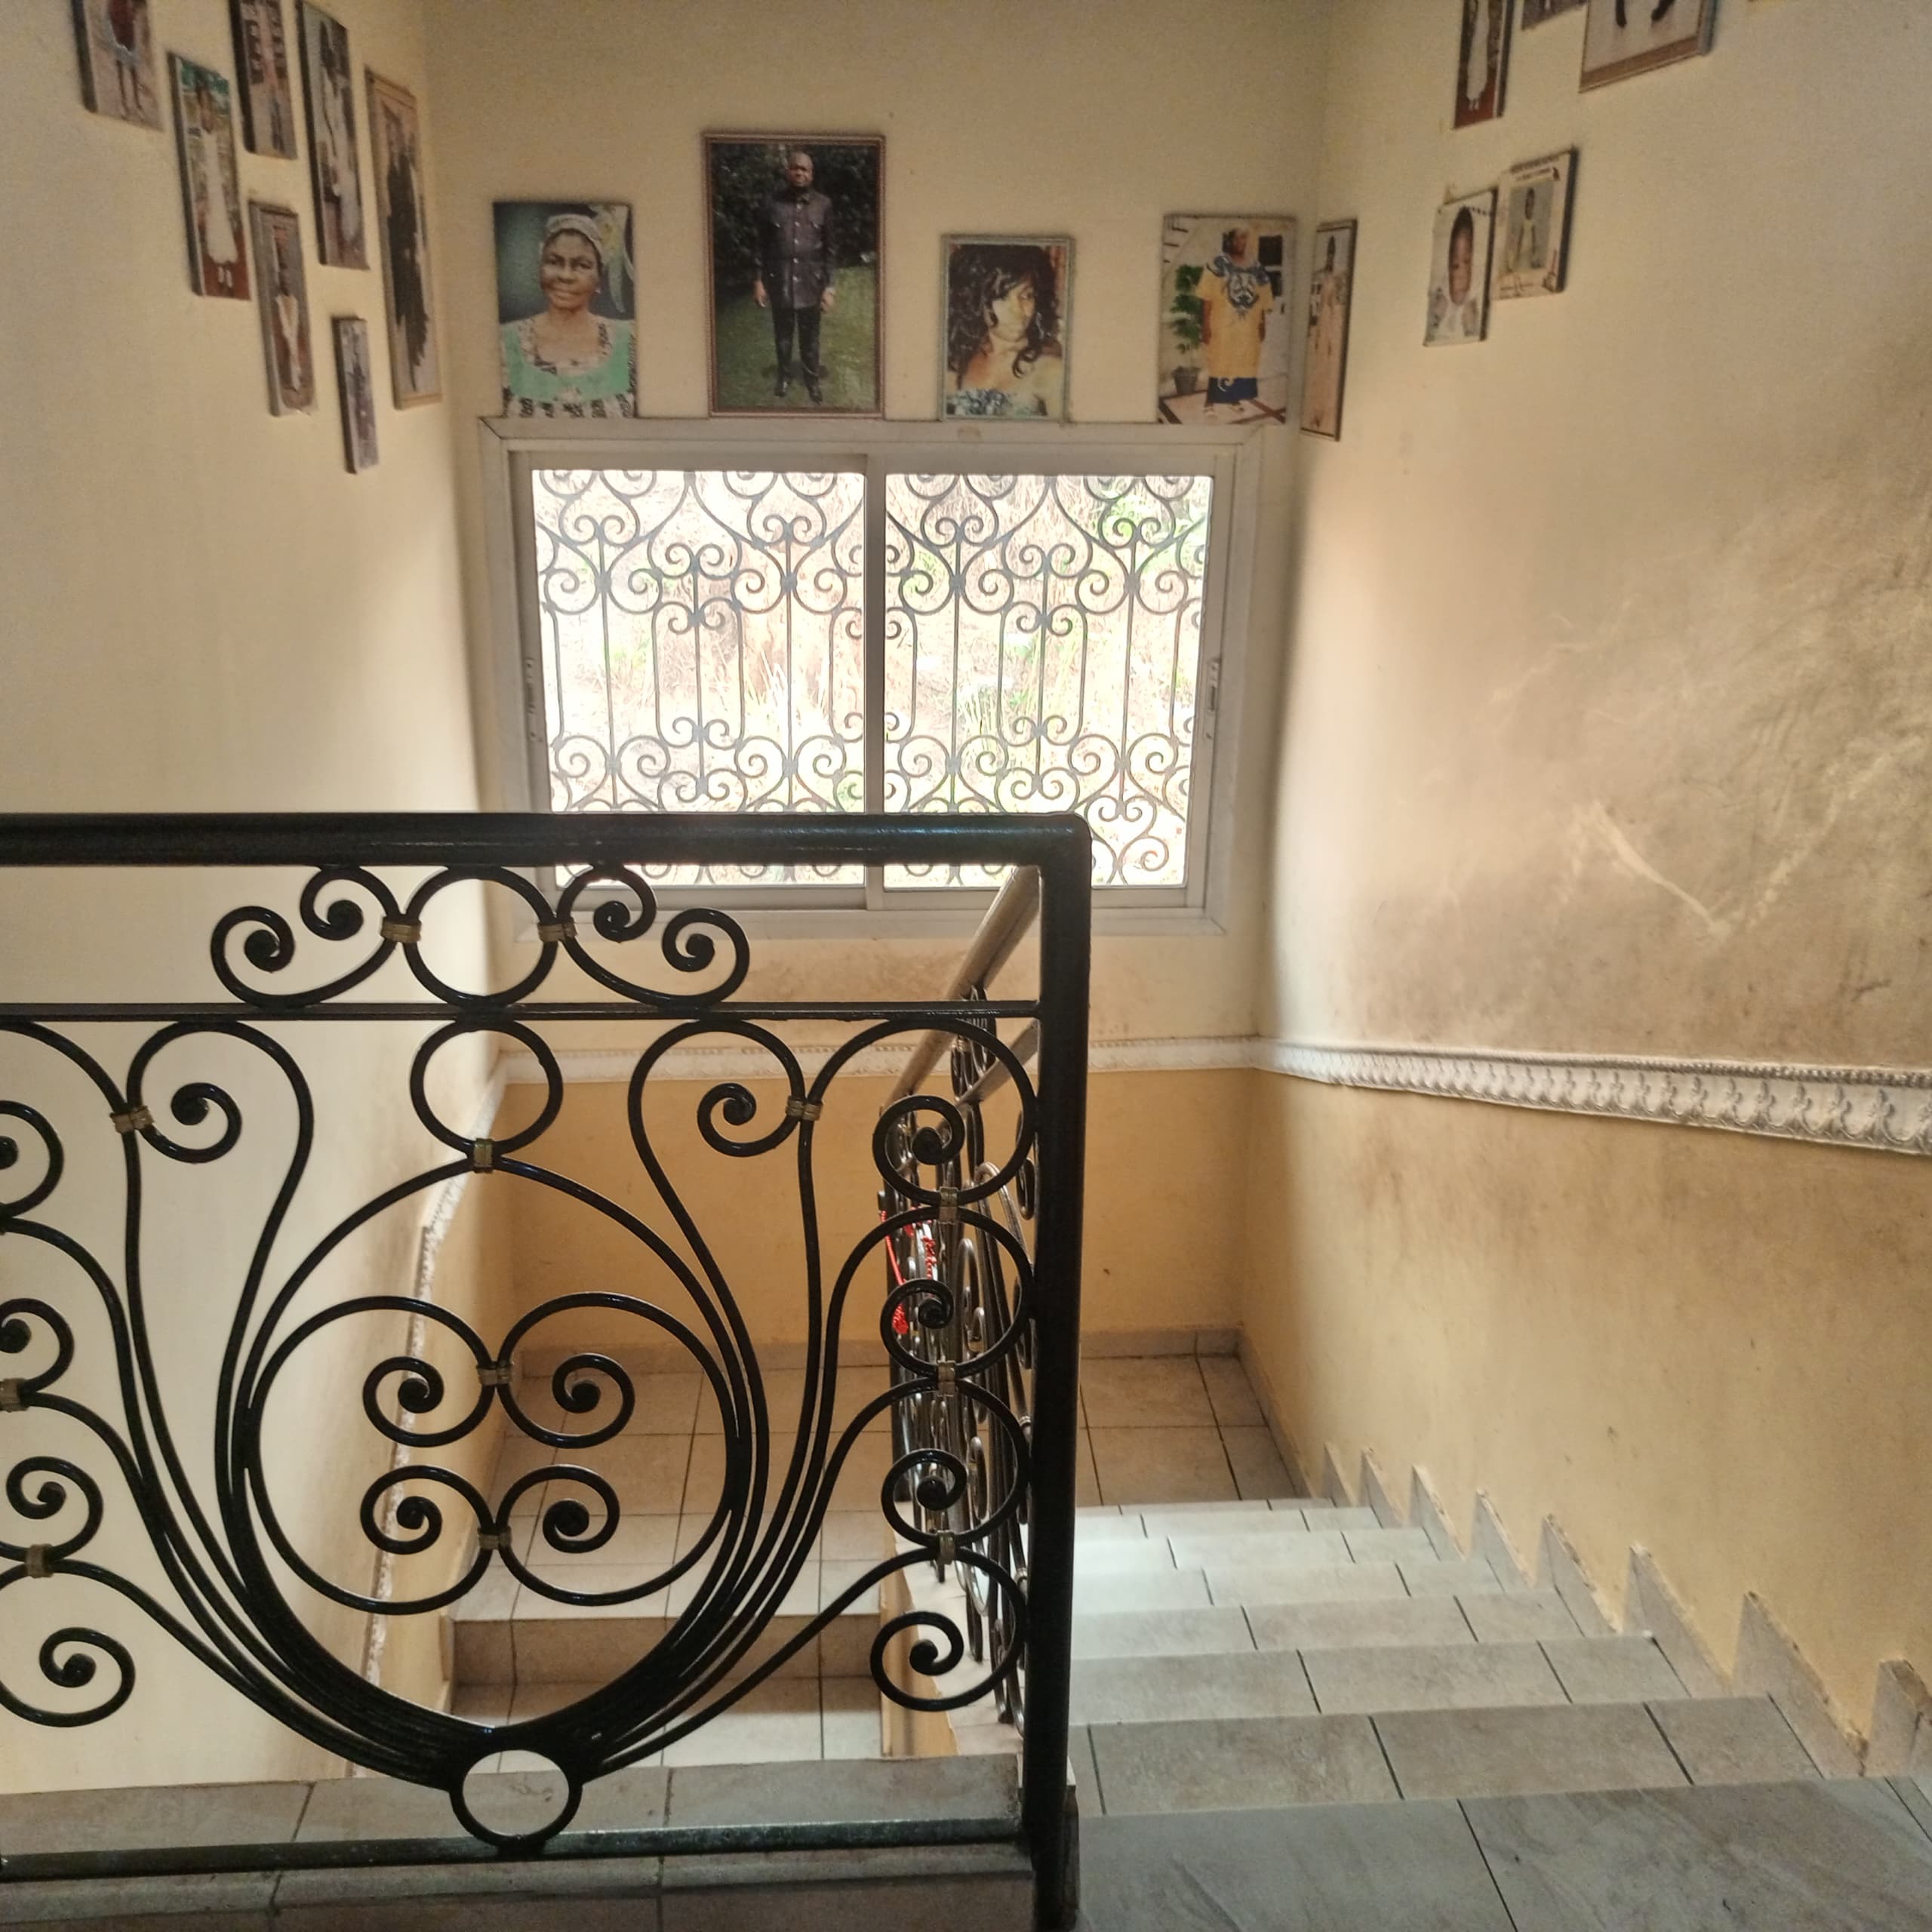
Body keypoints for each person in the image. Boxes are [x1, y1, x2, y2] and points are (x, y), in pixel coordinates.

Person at [500, 210, 635, 418]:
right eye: (554, 262)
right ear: (540, 267)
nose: (565, 275)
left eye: (582, 265)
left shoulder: (630, 341)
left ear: (598, 276)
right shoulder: (505, 343)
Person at [943, 245, 1064, 418]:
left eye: (1026, 296)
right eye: (1002, 297)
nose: (1018, 311)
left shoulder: (1051, 370)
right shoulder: (954, 361)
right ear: (976, 302)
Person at [752, 150, 835, 404]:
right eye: (795, 168)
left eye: (804, 169)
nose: (799, 173)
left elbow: (830, 249)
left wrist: (830, 287)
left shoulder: (824, 204)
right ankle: (784, 377)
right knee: (783, 337)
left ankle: (812, 381)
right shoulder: (772, 204)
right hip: (781, 282)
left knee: (810, 339)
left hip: (812, 283)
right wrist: (759, 281)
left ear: (812, 174)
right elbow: (761, 246)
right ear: (787, 172)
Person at [1196, 226, 1273, 420]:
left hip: (1247, 328)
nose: (1241, 243)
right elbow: (1206, 297)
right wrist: (1205, 325)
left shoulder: (1255, 266)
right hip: (1222, 325)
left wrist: (1262, 323)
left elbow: (1262, 296)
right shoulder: (1218, 264)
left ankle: (1234, 400)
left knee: (1242, 361)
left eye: (1243, 238)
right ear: (1229, 240)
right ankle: (1209, 402)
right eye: (1237, 239)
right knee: (1219, 361)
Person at [1302, 233, 1348, 435]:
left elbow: (1336, 304)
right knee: (1318, 367)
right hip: (1321, 325)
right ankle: (1316, 412)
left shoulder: (1337, 279)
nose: (1330, 258)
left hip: (1330, 324)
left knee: (1327, 367)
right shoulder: (1321, 277)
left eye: (1332, 254)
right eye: (1328, 254)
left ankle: (1320, 414)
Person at [1428, 205, 1483, 343]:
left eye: (1467, 262)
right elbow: (1431, 331)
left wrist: (1470, 326)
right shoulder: (1443, 298)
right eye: (1455, 266)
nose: (1461, 275)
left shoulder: (1473, 302)